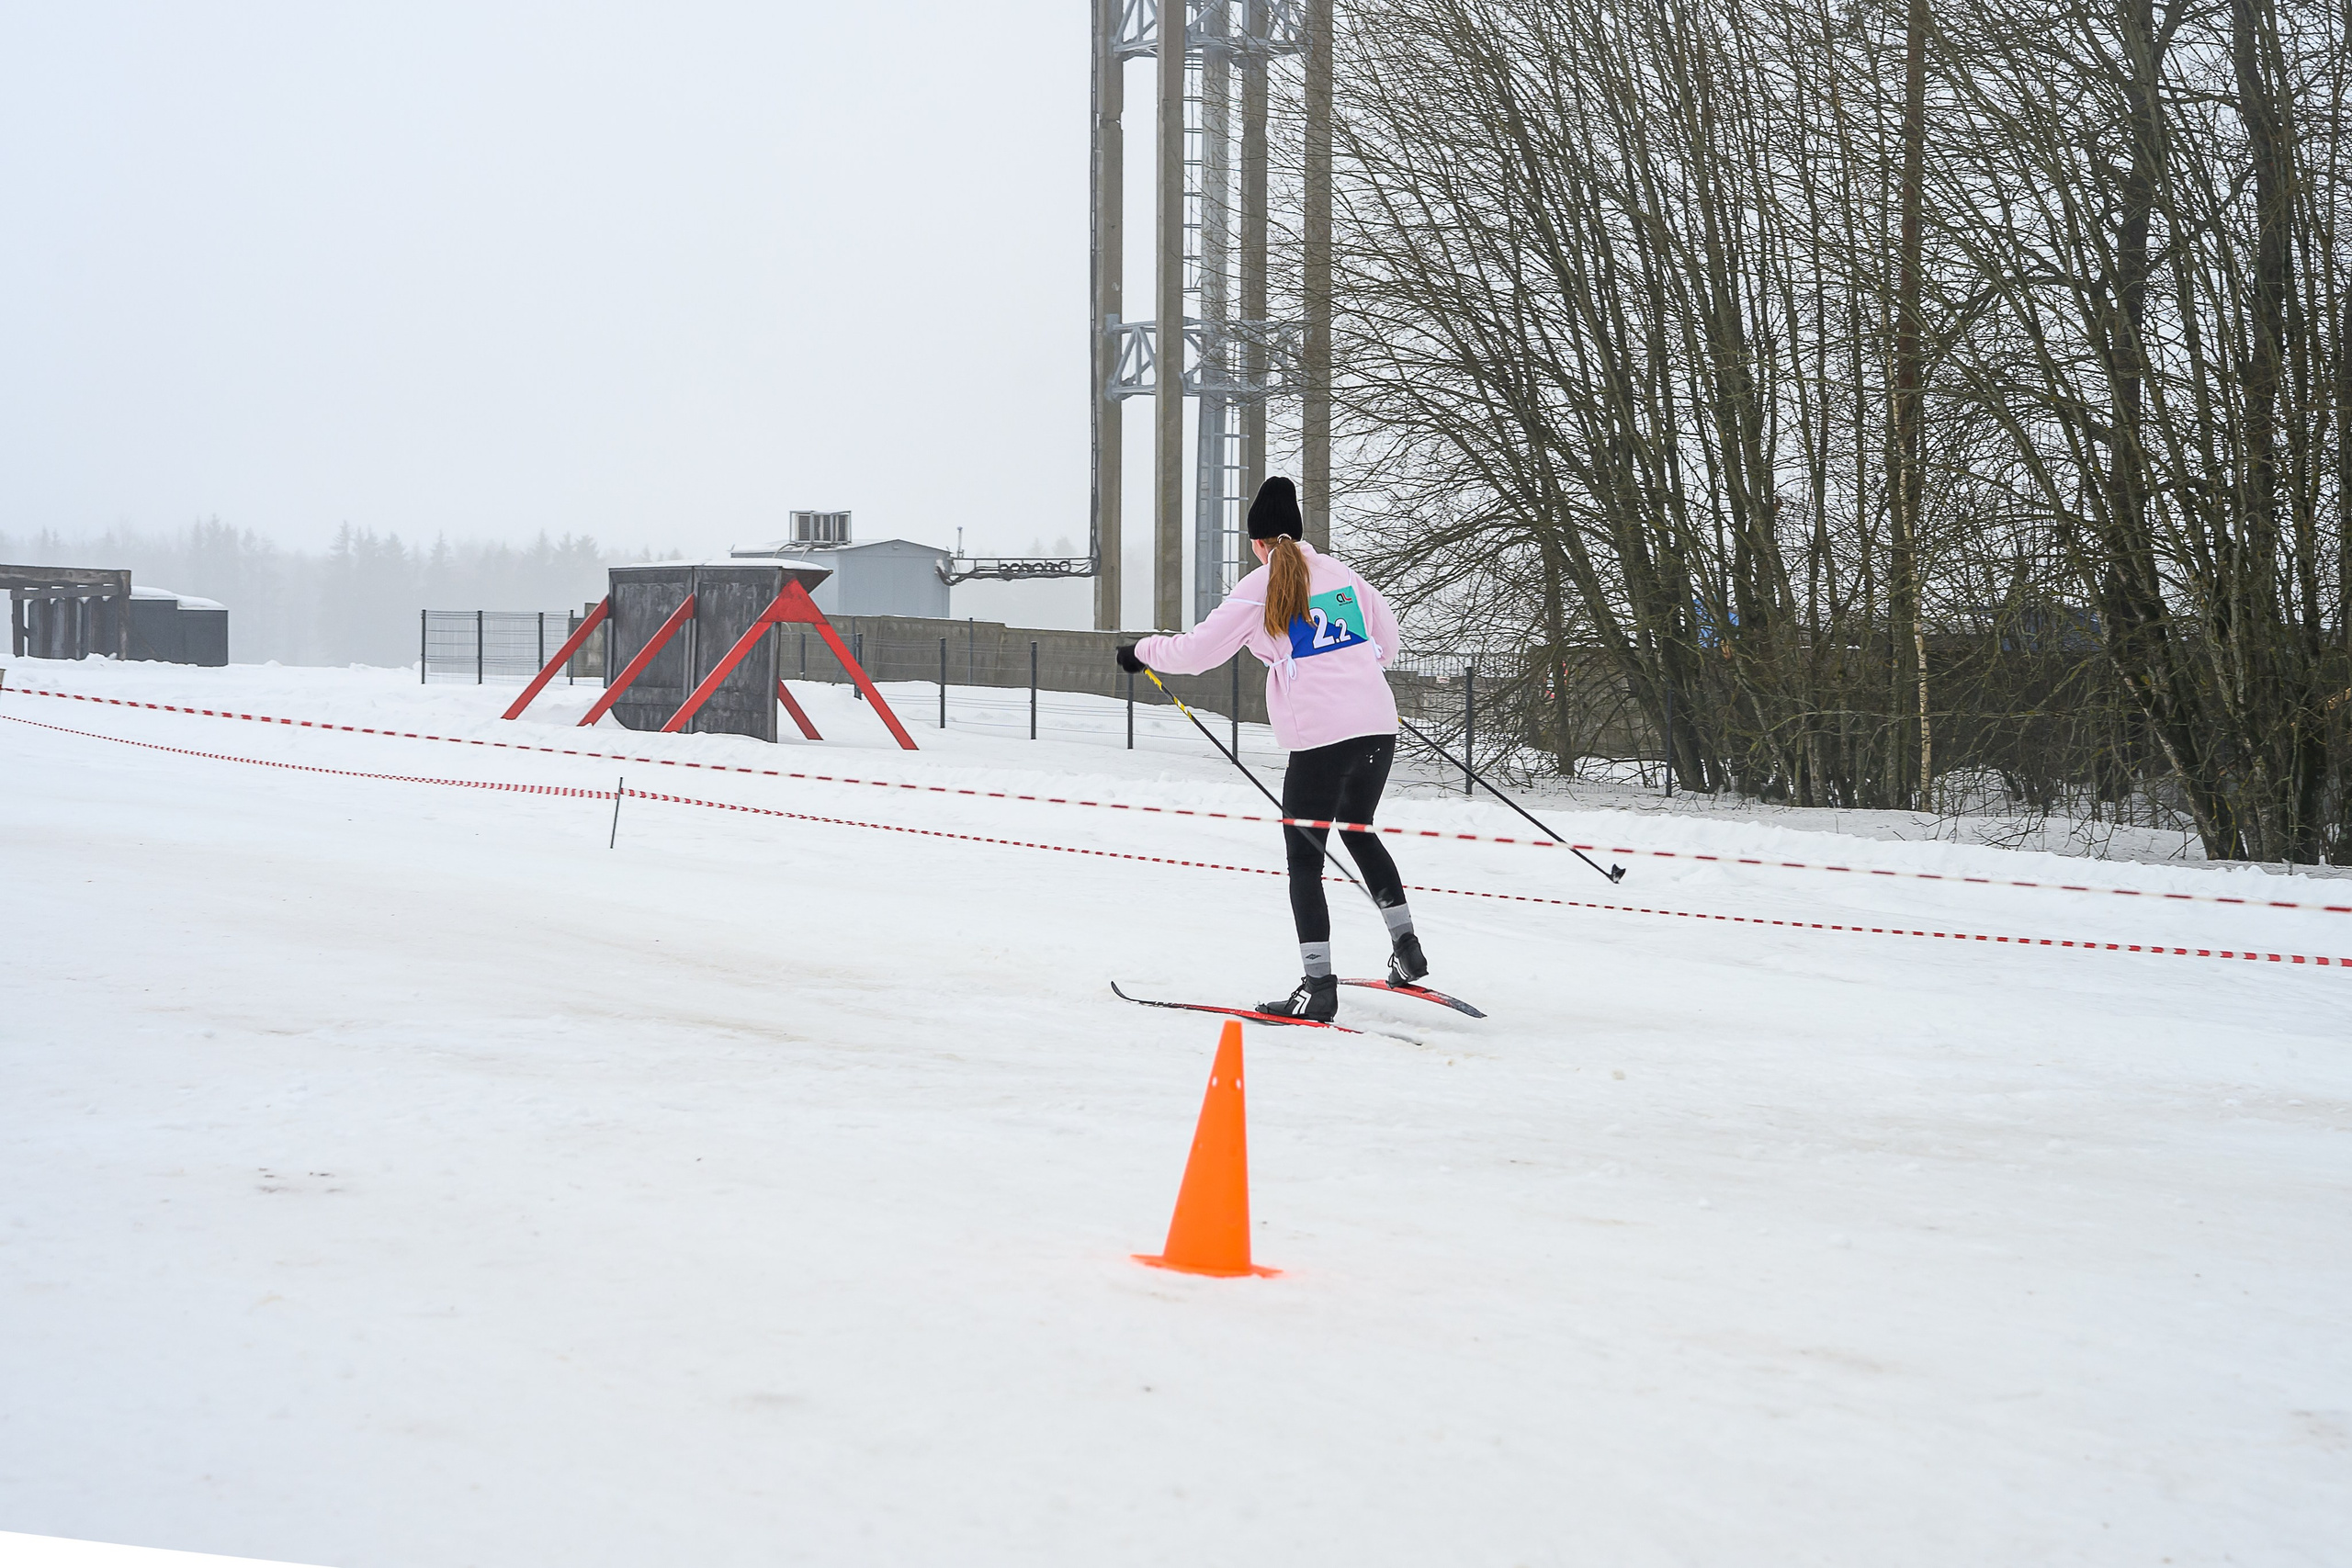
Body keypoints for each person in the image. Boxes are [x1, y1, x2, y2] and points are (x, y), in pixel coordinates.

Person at [1116, 476, 1426, 1021]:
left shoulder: (1260, 585)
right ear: (1300, 532)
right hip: (1379, 728)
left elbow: (1196, 653)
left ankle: (1318, 988)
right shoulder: (1343, 576)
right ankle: (1407, 949)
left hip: (1321, 742)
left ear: (1257, 541)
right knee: (1357, 831)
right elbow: (1390, 644)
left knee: (1305, 862)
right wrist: (1351, 677)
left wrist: (1142, 650)